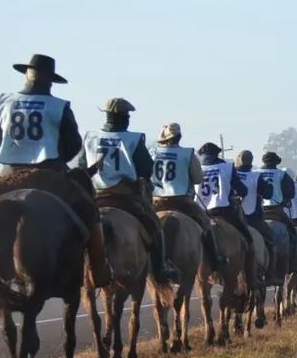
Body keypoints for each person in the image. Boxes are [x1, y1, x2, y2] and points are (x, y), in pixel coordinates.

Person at [0, 54, 112, 287]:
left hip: (10, 175)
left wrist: (16, 148)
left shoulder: (5, 101)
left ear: (27, 75)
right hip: (48, 175)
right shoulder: (59, 106)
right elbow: (73, 144)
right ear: (50, 80)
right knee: (89, 213)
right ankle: (98, 268)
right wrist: (57, 158)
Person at [79, 98, 181, 283]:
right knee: (155, 228)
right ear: (123, 117)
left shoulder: (90, 137)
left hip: (95, 195)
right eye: (127, 116)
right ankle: (160, 268)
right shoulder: (133, 138)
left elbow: (81, 166)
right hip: (124, 195)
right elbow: (146, 169)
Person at [150, 123, 229, 270]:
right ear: (179, 137)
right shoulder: (188, 153)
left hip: (156, 200)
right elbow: (198, 179)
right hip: (181, 201)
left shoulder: (153, 153)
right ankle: (214, 258)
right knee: (206, 223)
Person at [196, 142, 259, 289]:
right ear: (217, 154)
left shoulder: (196, 167)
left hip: (200, 213)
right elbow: (242, 190)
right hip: (223, 211)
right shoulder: (226, 167)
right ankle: (251, 280)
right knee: (248, 240)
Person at [234, 150, 280, 283]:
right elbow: (268, 194)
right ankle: (270, 274)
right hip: (251, 219)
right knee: (271, 241)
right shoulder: (255, 176)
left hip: (231, 217)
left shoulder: (230, 174)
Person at [252, 151, 297, 265]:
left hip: (256, 211)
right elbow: (290, 193)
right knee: (293, 233)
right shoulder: (282, 174)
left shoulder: (254, 173)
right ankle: (294, 262)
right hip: (276, 210)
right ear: (276, 162)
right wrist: (285, 200)